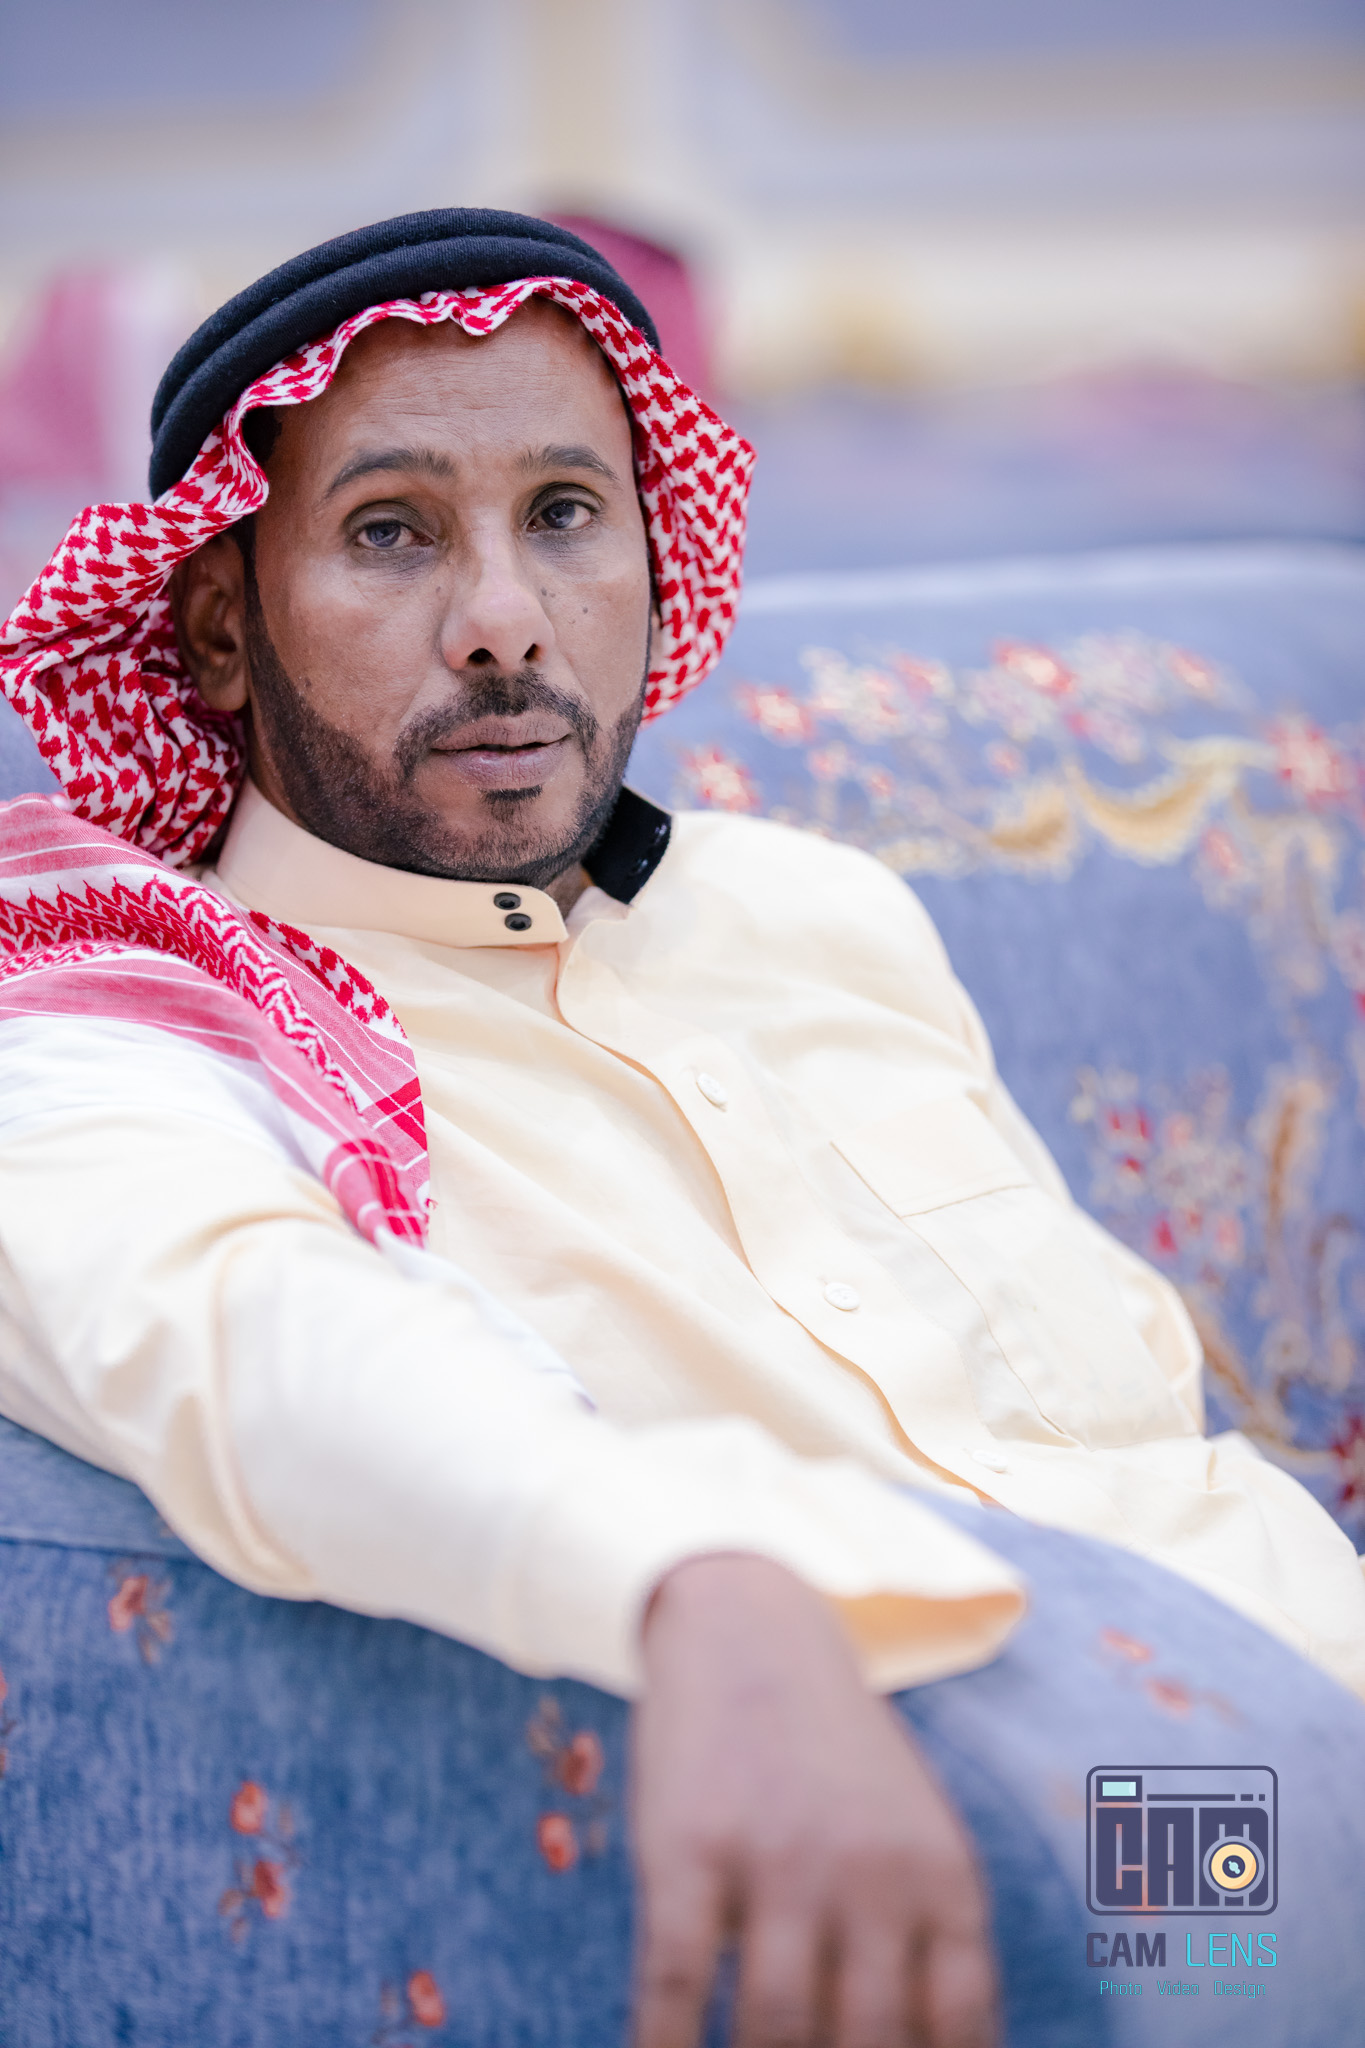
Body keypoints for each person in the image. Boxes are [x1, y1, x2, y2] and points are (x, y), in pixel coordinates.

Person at [0, 211, 1362, 2048]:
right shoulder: (142, 1015)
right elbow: (245, 1336)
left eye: (565, 513)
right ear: (221, 630)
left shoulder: (811, 910)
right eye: (392, 532)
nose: (504, 621)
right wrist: (689, 1575)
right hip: (1171, 1845)